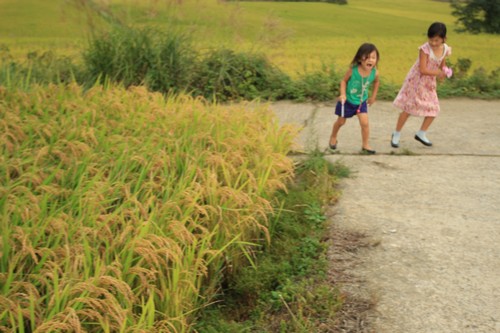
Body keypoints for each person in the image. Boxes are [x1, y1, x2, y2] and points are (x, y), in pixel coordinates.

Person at [391, 22, 452, 148]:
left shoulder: (445, 49)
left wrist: (445, 71)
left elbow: (442, 64)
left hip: (429, 83)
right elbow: (423, 70)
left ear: (444, 39)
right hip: (416, 81)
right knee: (408, 108)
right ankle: (396, 133)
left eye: (436, 40)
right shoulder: (425, 49)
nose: (433, 43)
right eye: (431, 39)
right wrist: (438, 73)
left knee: (434, 109)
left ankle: (421, 133)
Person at [328, 43, 380, 154]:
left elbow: (376, 82)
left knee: (365, 123)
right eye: (367, 57)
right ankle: (333, 136)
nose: (370, 60)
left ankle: (365, 145)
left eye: (373, 57)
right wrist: (343, 94)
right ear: (360, 58)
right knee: (341, 122)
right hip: (347, 101)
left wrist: (373, 96)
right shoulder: (353, 70)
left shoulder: (374, 73)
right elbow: (343, 81)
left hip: (361, 102)